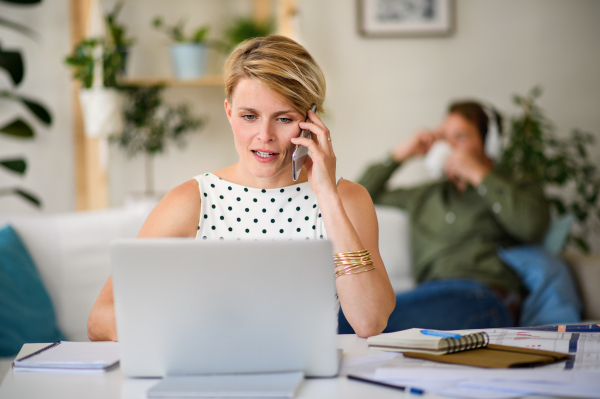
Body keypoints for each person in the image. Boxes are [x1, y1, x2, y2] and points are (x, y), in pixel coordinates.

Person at [88, 35, 395, 341]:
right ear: (229, 112)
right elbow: (101, 317)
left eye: (284, 118)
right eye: (249, 116)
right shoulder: (192, 201)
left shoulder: (347, 200)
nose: (265, 135)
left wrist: (326, 195)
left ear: (311, 120)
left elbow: (370, 321)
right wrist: (191, 331)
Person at [340, 101, 550, 333]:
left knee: (358, 320)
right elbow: (358, 195)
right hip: (433, 295)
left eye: (460, 137)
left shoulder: (513, 187)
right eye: (443, 136)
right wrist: (402, 153)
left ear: (488, 145)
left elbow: (533, 227)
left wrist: (479, 174)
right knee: (355, 315)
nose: (449, 146)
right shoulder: (424, 195)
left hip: (485, 296)